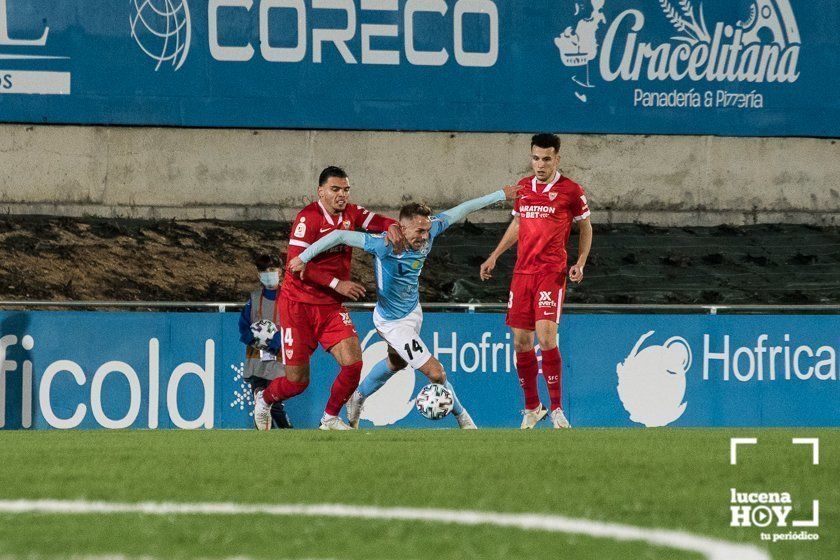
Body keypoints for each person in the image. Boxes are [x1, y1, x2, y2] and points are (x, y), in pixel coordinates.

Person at [289, 185, 518, 429]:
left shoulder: (433, 229)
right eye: (419, 231)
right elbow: (340, 236)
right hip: (392, 322)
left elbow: (464, 208)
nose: (424, 236)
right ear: (402, 227)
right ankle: (465, 419)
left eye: (427, 230)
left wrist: (501, 195)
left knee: (396, 362)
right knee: (437, 373)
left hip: (413, 311)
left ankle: (358, 397)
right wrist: (303, 257)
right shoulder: (383, 244)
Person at [253, 166, 405, 431]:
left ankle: (329, 419)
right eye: (335, 189)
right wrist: (338, 283)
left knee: (353, 364)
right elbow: (294, 266)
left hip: (330, 307)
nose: (342, 195)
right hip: (297, 306)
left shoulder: (350, 213)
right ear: (320, 191)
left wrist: (392, 225)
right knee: (297, 383)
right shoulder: (308, 219)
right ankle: (264, 399)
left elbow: (374, 220)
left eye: (346, 189)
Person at [479, 134, 593, 429]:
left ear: (557, 159)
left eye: (546, 159)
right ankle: (532, 407)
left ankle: (556, 409)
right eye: (535, 158)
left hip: (550, 273)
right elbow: (518, 223)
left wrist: (579, 262)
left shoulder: (571, 191)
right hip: (522, 274)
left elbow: (586, 227)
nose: (539, 164)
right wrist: (494, 255)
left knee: (545, 338)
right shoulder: (524, 188)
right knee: (521, 342)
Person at [238, 254, 293, 429]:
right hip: (256, 358)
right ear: (258, 274)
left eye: (271, 269)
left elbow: (295, 322)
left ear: (280, 271)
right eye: (263, 270)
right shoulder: (254, 298)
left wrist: (279, 340)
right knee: (259, 399)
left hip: (278, 358)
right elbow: (243, 324)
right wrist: (252, 338)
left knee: (274, 399)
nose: (268, 274)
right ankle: (264, 437)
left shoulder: (289, 296)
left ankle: (286, 430)